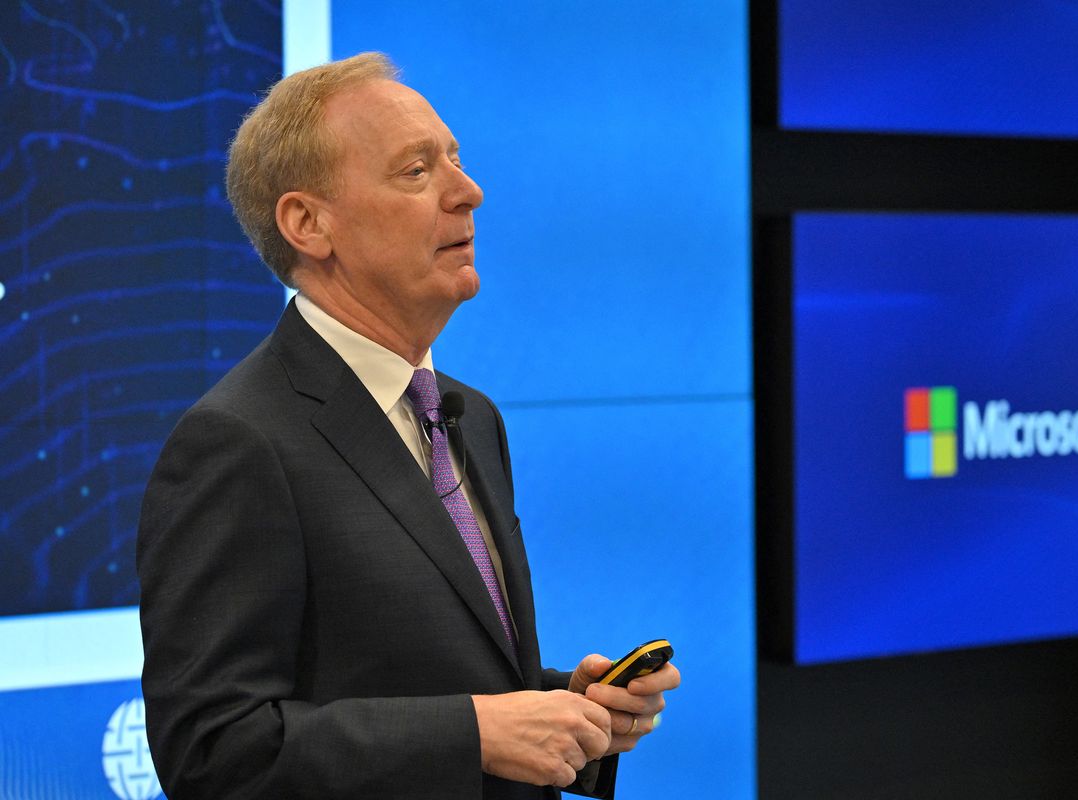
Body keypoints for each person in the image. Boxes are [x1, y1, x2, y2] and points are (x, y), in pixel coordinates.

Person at [136, 51, 680, 799]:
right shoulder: (238, 442)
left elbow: (438, 680)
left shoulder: (472, 416)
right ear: (307, 223)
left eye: (455, 158)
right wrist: (476, 733)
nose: (469, 191)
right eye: (417, 171)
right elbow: (212, 751)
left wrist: (566, 712)